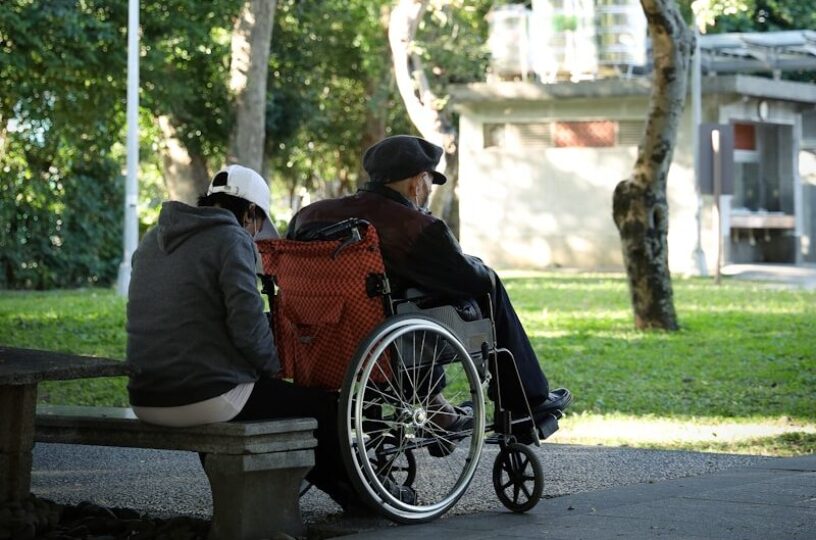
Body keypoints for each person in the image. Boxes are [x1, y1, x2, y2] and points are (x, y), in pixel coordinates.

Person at [125, 164, 410, 509]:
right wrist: (274, 368)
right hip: (205, 395)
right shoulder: (231, 238)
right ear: (249, 213)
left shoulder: (152, 240)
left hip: (145, 397)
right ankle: (367, 497)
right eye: (257, 223)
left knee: (285, 404)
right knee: (326, 409)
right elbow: (247, 326)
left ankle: (345, 492)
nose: (256, 232)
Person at [287, 135, 572, 442]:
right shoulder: (414, 226)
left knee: (401, 305)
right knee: (489, 285)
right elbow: (469, 280)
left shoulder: (310, 216)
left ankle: (440, 410)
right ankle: (526, 402)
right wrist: (479, 266)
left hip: (316, 337)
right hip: (387, 342)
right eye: (429, 182)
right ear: (416, 183)